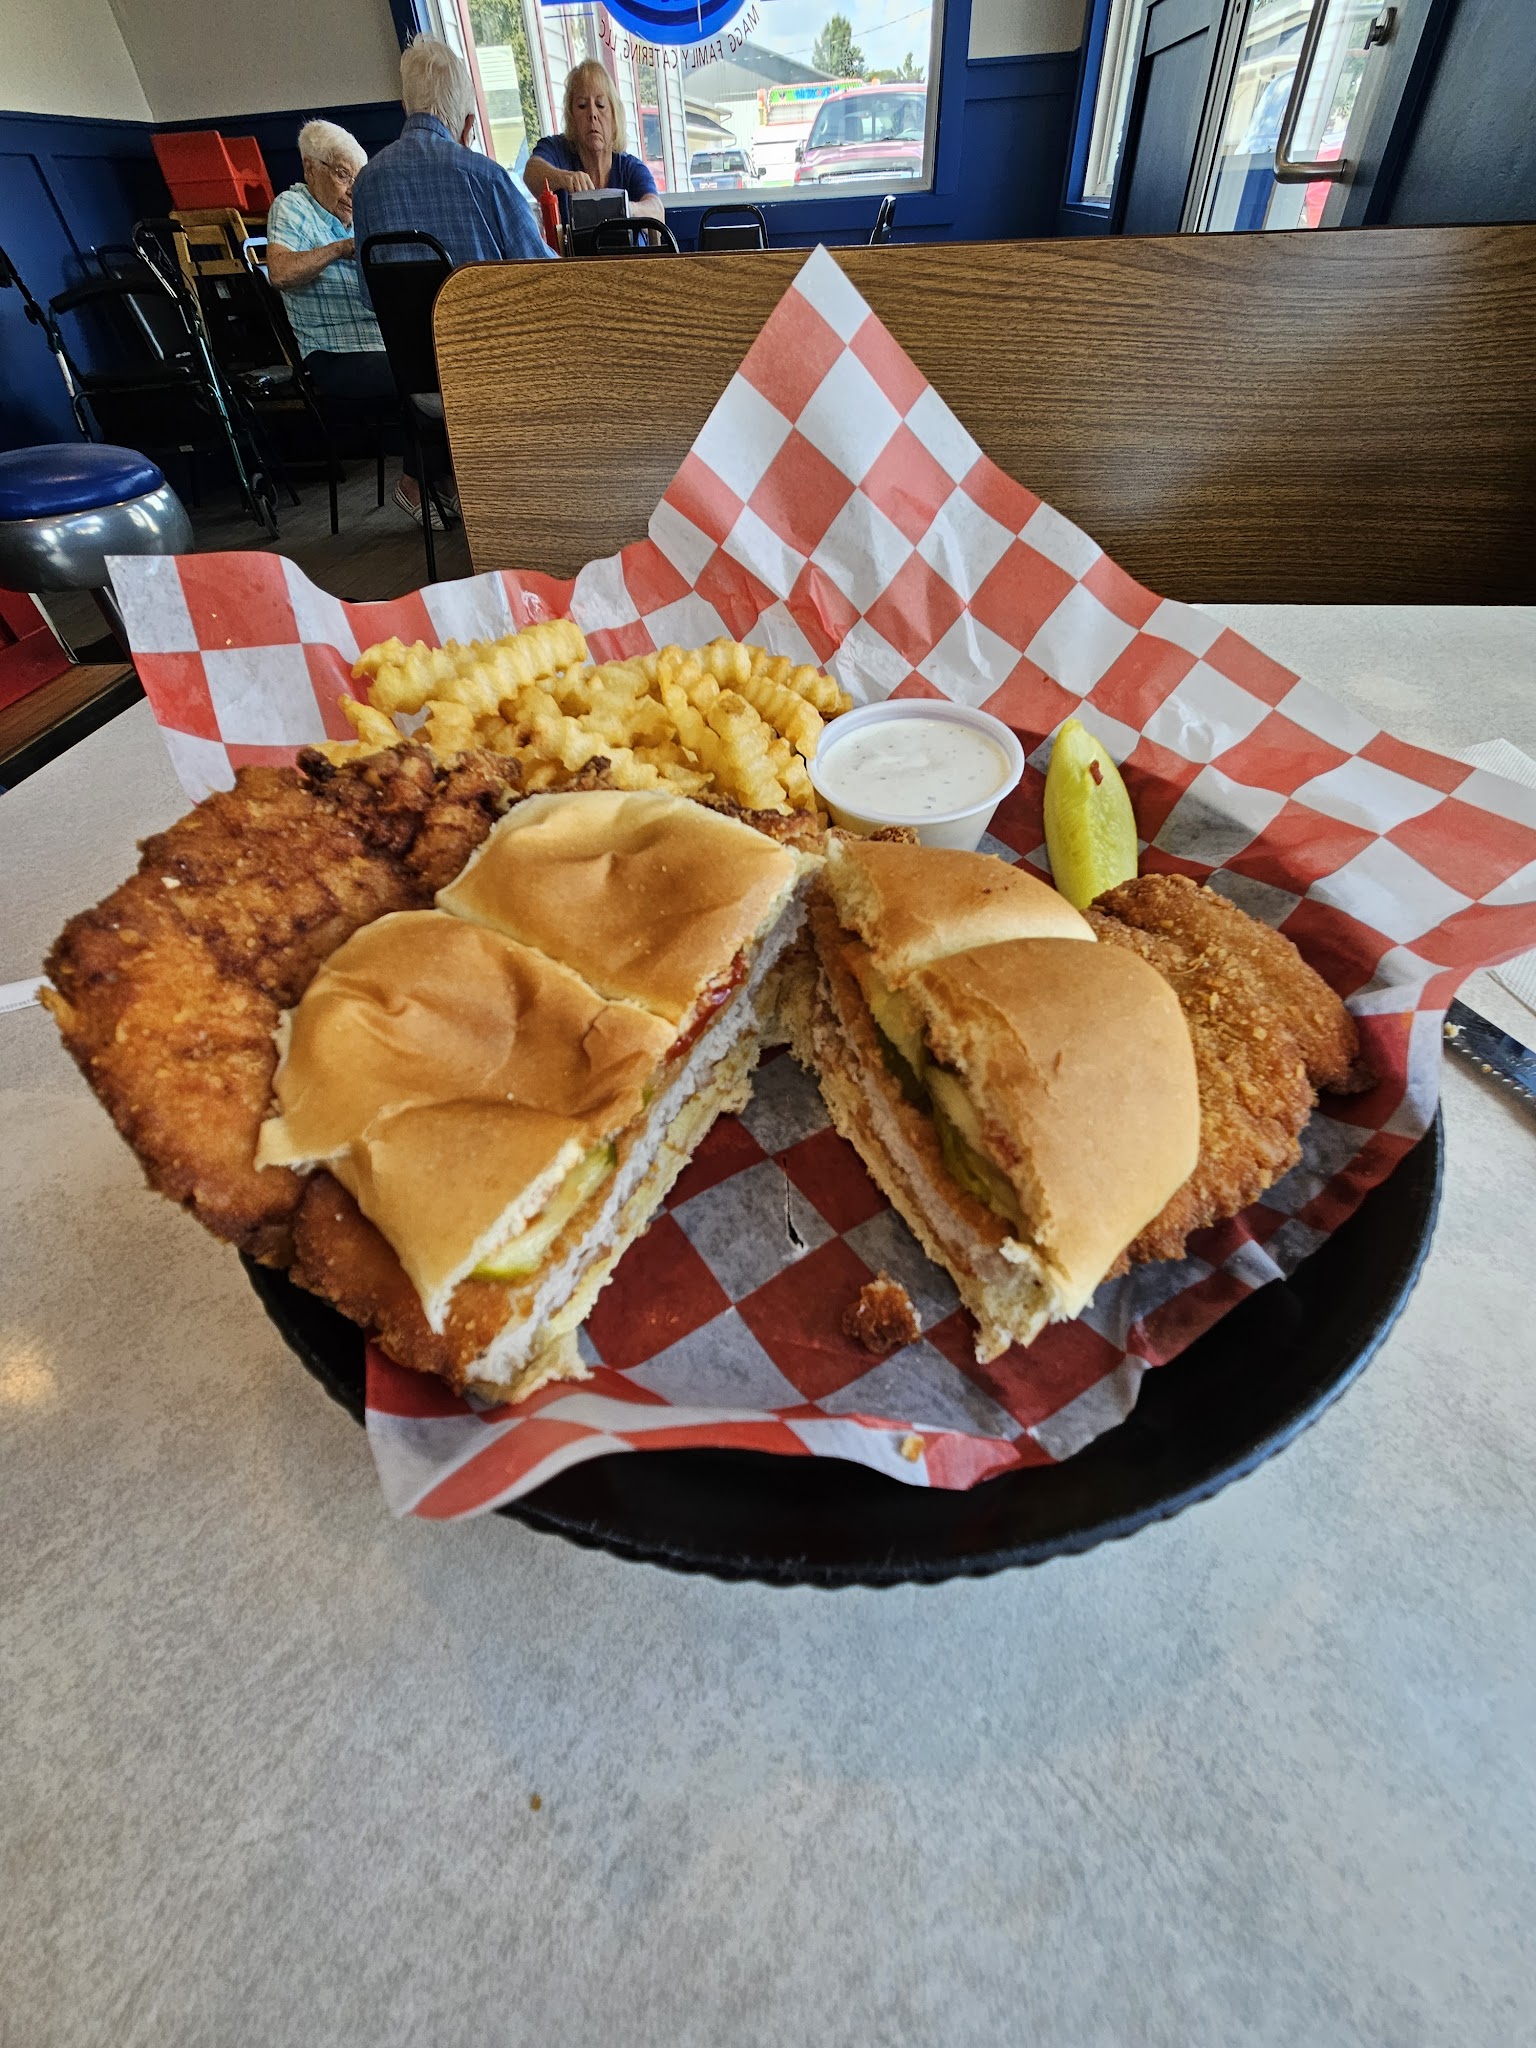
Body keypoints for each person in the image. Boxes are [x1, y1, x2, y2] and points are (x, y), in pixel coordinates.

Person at [265, 121, 430, 525]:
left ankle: (441, 481)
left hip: (379, 344)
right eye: (342, 175)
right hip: (332, 356)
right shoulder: (292, 207)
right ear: (310, 168)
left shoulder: (357, 218)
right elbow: (281, 272)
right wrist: (341, 249)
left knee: (446, 362)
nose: (352, 190)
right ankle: (415, 484)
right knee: (425, 374)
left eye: (358, 179)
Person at [351, 36, 553, 276]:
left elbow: (370, 294)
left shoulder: (364, 183)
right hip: (485, 313)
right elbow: (545, 273)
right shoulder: (487, 178)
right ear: (468, 125)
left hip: (405, 315)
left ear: (406, 107)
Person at [524, 60, 665, 225]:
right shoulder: (556, 149)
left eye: (600, 105)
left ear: (614, 117)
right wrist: (564, 178)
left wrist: (625, 209)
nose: (592, 114)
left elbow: (657, 211)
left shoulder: (629, 167)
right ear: (572, 118)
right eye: (582, 106)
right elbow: (531, 172)